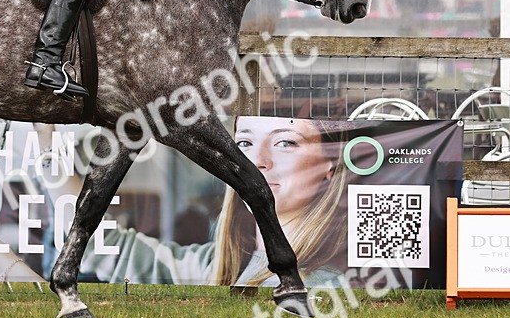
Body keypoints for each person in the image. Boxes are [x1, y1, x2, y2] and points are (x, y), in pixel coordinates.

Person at [75, 118, 348, 287]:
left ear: (330, 166)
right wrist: (48, 149)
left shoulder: (325, 285)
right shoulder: (222, 264)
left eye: (285, 143)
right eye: (243, 144)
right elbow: (113, 251)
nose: (257, 163)